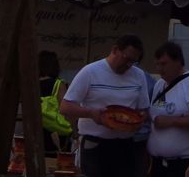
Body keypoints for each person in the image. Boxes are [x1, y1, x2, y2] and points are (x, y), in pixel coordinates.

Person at [59, 35, 150, 177]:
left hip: (126, 145)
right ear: (115, 50)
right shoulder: (90, 72)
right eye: (126, 59)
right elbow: (65, 107)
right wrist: (91, 113)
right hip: (95, 143)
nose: (128, 65)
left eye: (133, 62)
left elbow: (144, 109)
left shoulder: (138, 75)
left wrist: (142, 118)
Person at [147, 41, 189, 177]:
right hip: (158, 165)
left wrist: (171, 121)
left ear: (178, 61)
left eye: (164, 64)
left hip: (183, 164)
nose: (160, 69)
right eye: (157, 64)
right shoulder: (159, 85)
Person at [39, 50, 70, 156]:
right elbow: (65, 109)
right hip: (54, 129)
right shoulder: (58, 84)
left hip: (35, 127)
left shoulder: (31, 84)